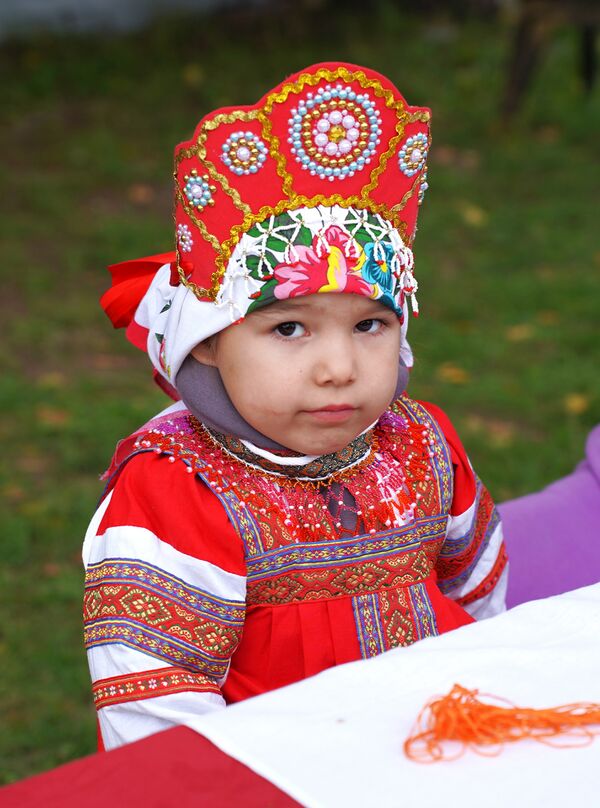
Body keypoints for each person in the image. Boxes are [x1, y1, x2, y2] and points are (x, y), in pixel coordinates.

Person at [83, 62, 508, 751]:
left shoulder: (421, 442)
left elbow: (481, 593)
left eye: (369, 325)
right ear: (210, 343)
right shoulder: (177, 491)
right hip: (281, 776)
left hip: (444, 748)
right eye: (288, 328)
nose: (339, 368)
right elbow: (155, 713)